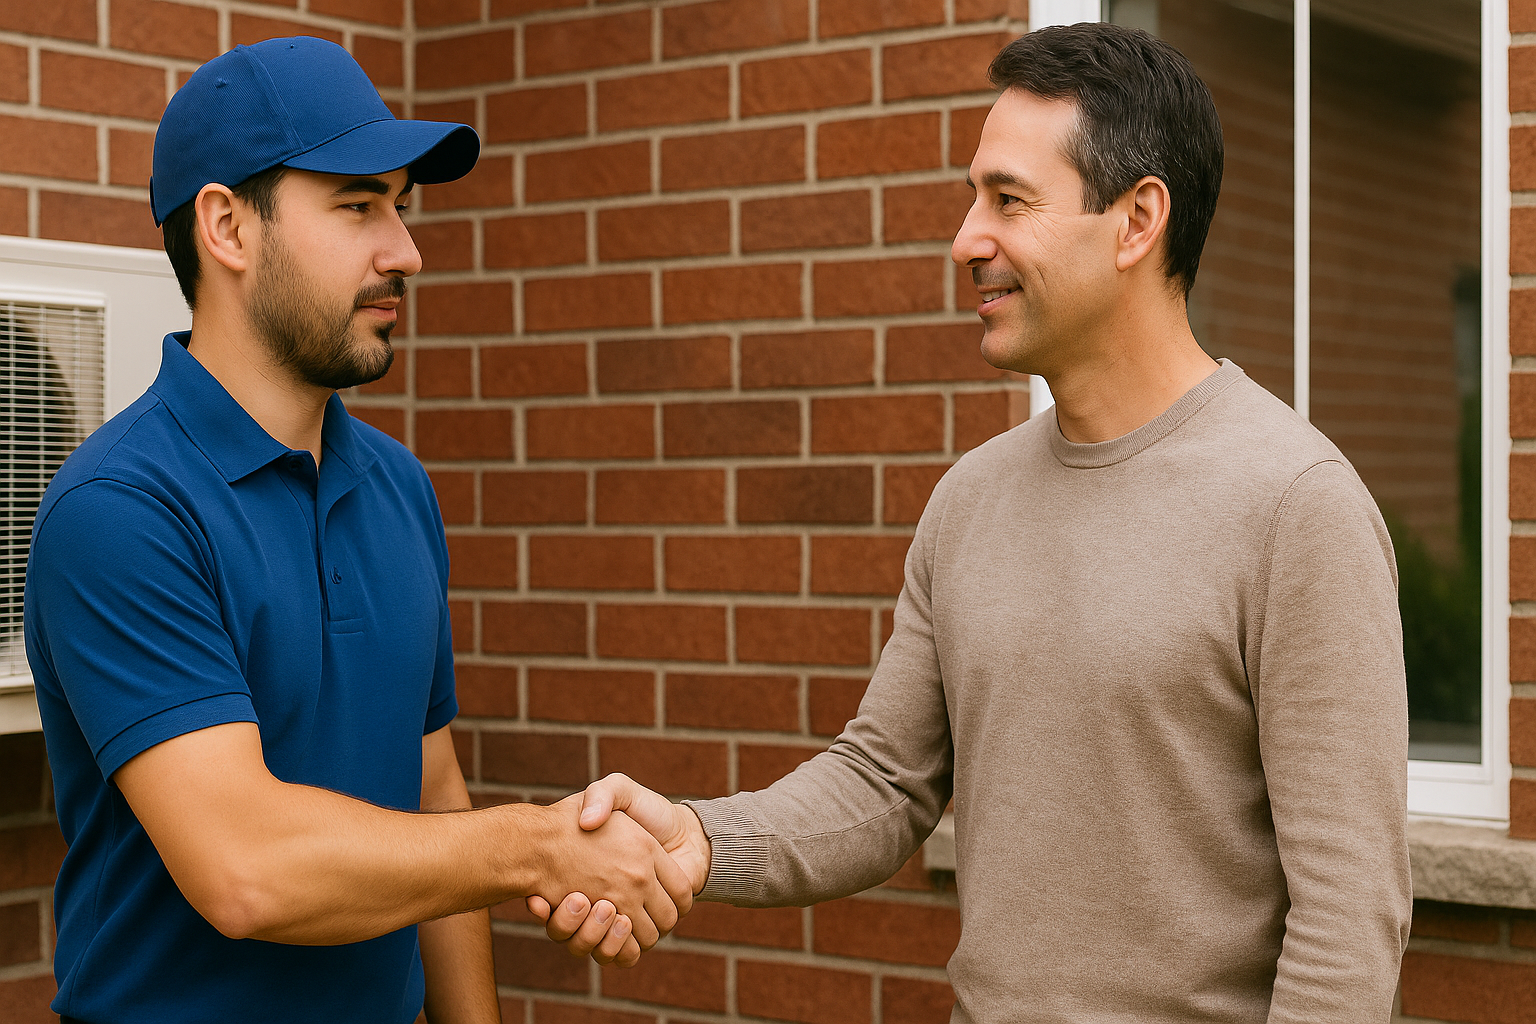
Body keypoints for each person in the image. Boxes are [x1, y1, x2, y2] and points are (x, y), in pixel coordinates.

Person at [538, 22, 1412, 1023]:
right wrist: (698, 840)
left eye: (1008, 199)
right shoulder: (971, 500)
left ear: (1137, 222)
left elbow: (1349, 921)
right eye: (972, 197)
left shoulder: (1297, 505)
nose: (966, 238)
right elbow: (883, 780)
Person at [24, 37, 689, 1024]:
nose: (405, 252)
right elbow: (243, 868)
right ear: (228, 228)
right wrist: (542, 845)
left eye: (402, 206)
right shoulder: (120, 510)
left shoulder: (398, 486)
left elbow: (432, 787)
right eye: (357, 205)